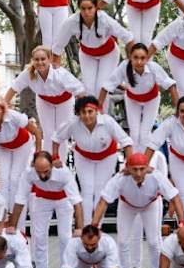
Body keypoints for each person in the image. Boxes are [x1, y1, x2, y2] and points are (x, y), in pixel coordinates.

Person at [94, 152, 184, 268]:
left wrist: (182, 224)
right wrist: (94, 226)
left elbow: (176, 198)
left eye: (142, 169)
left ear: (147, 168)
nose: (138, 173)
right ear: (127, 168)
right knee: (123, 242)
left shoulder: (156, 176)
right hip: (127, 205)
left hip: (151, 205)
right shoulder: (119, 178)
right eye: (134, 169)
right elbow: (103, 202)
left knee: (154, 242)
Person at [4, 150, 82, 268]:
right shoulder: (28, 173)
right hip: (42, 199)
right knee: (38, 237)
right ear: (34, 165)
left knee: (65, 238)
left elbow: (76, 202)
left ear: (52, 165)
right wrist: (12, 226)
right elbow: (20, 199)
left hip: (63, 200)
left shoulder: (63, 173)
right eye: (39, 171)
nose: (42, 175)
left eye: (46, 171)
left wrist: (79, 228)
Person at [53, 94, 133, 222]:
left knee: (100, 191)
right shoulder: (73, 123)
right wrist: (55, 157)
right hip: (83, 157)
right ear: (78, 114)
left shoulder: (108, 121)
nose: (87, 116)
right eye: (83, 112)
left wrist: (130, 164)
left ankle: (96, 227)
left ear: (97, 111)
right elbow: (56, 139)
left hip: (107, 157)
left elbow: (126, 141)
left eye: (90, 111)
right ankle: (86, 226)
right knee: (87, 190)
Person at [5, 47, 86, 155]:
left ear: (50, 59)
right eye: (36, 59)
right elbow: (14, 88)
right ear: (33, 60)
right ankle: (48, 163)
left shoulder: (60, 74)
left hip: (64, 101)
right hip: (44, 101)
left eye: (43, 59)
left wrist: (83, 112)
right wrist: (3, 105)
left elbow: (80, 91)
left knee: (61, 133)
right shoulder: (28, 73)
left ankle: (60, 165)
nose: (40, 62)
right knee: (48, 134)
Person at [51, 0, 134, 97]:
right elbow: (58, 46)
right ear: (79, 9)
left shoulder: (104, 19)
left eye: (90, 8)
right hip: (87, 56)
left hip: (108, 55)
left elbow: (127, 37)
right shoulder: (72, 22)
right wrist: (56, 73)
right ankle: (92, 110)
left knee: (101, 87)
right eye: (83, 9)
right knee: (89, 90)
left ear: (96, 8)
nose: (86, 12)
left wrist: (131, 64)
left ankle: (103, 109)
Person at [100, 42, 175, 152]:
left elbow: (171, 85)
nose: (139, 62)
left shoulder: (153, 67)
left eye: (142, 58)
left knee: (145, 133)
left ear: (147, 58)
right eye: (135, 58)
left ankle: (145, 161)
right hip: (132, 100)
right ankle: (135, 162)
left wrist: (178, 107)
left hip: (151, 100)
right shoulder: (124, 67)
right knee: (134, 134)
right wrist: (98, 107)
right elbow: (107, 85)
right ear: (130, 57)